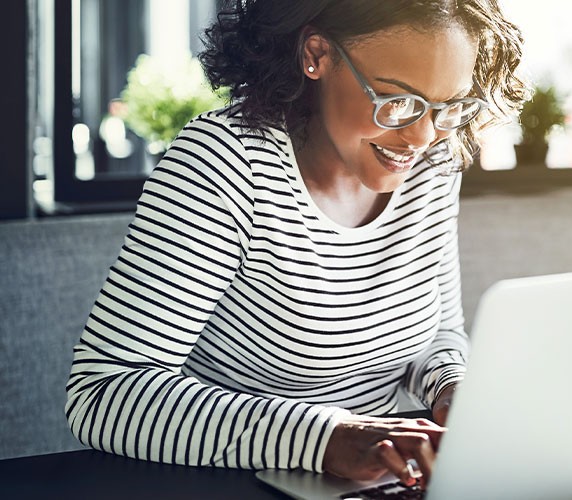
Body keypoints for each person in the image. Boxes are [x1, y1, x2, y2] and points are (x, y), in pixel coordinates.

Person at [65, 0, 524, 490]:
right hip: (237, 482)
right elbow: (104, 394)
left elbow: (436, 334)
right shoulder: (225, 163)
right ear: (317, 55)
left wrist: (452, 389)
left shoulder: (431, 166)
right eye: (397, 101)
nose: (422, 135)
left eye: (447, 108)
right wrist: (325, 438)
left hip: (383, 482)